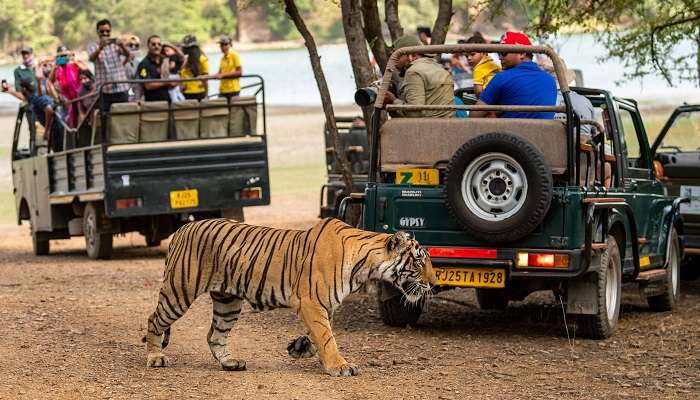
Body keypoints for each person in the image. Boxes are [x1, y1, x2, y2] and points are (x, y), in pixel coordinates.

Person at [471, 31, 556, 119]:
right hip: (544, 131)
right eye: (499, 53)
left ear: (522, 53)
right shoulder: (550, 79)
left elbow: (474, 116)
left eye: (504, 53)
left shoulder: (502, 78)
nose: (500, 57)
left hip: (509, 132)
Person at [383, 35, 454, 118]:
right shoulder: (438, 67)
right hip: (447, 125)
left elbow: (415, 113)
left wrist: (393, 100)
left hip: (428, 127)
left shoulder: (413, 71)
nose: (394, 60)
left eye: (397, 55)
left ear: (412, 55)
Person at [538, 57, 596, 134]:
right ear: (565, 76)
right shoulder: (585, 102)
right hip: (577, 145)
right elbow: (593, 133)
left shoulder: (531, 100)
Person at [87, 19, 131, 113]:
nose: (105, 33)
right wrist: (100, 48)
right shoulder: (93, 46)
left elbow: (129, 56)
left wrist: (122, 46)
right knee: (105, 118)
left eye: (107, 31)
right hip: (104, 90)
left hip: (121, 87)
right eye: (102, 31)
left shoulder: (116, 44)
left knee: (123, 116)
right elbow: (91, 59)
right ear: (97, 32)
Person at [15, 78, 64, 152]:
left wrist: (47, 130)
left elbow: (49, 110)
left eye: (21, 88)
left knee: (58, 152)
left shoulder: (35, 98)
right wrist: (9, 91)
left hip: (56, 127)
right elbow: (24, 98)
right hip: (57, 126)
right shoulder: (33, 95)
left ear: (24, 89)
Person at [48, 45, 87, 127]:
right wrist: (55, 65)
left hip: (80, 98)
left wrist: (73, 60)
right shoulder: (58, 69)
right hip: (68, 102)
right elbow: (49, 81)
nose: (63, 58)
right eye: (61, 56)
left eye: (65, 55)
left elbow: (85, 70)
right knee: (70, 123)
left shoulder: (74, 64)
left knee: (81, 120)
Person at [137, 35, 175, 102]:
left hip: (168, 101)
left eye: (159, 44)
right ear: (148, 46)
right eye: (153, 44)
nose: (157, 46)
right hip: (153, 104)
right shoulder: (144, 64)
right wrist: (166, 82)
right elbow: (148, 85)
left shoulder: (164, 60)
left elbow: (181, 59)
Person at [465, 34, 501, 99]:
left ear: (483, 52)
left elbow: (478, 92)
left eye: (472, 54)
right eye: (466, 56)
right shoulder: (492, 63)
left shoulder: (478, 69)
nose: (469, 58)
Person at [180, 35, 209, 101]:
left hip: (198, 93)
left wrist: (206, 95)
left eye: (185, 47)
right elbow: (182, 75)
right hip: (186, 92)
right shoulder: (186, 59)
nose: (183, 49)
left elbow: (205, 79)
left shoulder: (202, 59)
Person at [215, 35, 242, 100]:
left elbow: (239, 72)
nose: (223, 47)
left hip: (233, 90)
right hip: (223, 90)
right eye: (221, 45)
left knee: (232, 109)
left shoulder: (234, 55)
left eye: (225, 44)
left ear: (230, 45)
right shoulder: (222, 59)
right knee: (221, 109)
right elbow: (219, 74)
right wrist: (204, 77)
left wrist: (223, 75)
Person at [123, 35, 142, 101]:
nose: (133, 47)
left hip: (137, 91)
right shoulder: (120, 60)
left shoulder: (139, 61)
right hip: (124, 90)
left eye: (136, 45)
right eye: (130, 45)